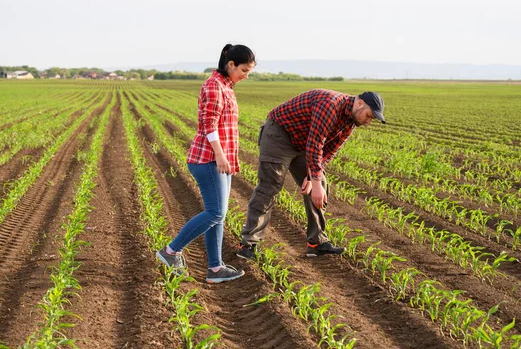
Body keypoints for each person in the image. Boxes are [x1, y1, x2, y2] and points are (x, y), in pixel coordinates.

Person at [236, 89, 386, 259]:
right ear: (360, 103)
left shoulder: (350, 122)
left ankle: (317, 242)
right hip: (279, 135)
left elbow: (329, 151)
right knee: (269, 186)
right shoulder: (330, 104)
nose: (368, 121)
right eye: (369, 116)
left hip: (303, 142)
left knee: (320, 182)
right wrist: (313, 182)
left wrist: (311, 178)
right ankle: (248, 244)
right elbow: (316, 144)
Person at [157, 44, 256, 283]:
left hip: (220, 160)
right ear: (231, 64)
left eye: (249, 71)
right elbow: (208, 125)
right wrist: (221, 156)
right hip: (208, 159)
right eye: (244, 70)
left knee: (218, 216)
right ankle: (171, 251)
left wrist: (228, 157)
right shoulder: (214, 86)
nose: (246, 75)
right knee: (215, 212)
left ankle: (215, 268)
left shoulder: (226, 86)